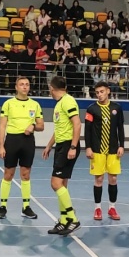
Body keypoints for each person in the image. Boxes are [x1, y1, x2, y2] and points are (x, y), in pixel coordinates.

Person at [0, 76, 44, 220]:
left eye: (27, 84)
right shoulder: (8, 104)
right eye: (22, 84)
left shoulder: (35, 104)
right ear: (16, 87)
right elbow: (2, 126)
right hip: (12, 140)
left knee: (26, 174)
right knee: (8, 174)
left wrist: (33, 126)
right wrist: (0, 146)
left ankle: (26, 207)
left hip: (27, 141)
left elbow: (41, 126)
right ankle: (3, 206)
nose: (25, 86)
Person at [42, 76, 82, 235]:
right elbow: (60, 128)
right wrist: (49, 145)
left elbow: (77, 124)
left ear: (51, 88)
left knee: (55, 183)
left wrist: (72, 146)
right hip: (61, 145)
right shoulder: (60, 104)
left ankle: (73, 218)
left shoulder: (68, 101)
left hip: (67, 145)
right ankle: (64, 220)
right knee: (62, 184)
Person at [84, 82, 124, 220]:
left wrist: (122, 145)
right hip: (97, 150)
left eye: (102, 91)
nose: (99, 95)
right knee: (99, 179)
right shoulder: (91, 109)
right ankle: (98, 209)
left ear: (108, 91)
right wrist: (88, 147)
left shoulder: (116, 108)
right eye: (97, 93)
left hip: (113, 149)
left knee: (113, 179)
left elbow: (120, 128)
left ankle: (112, 208)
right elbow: (87, 130)